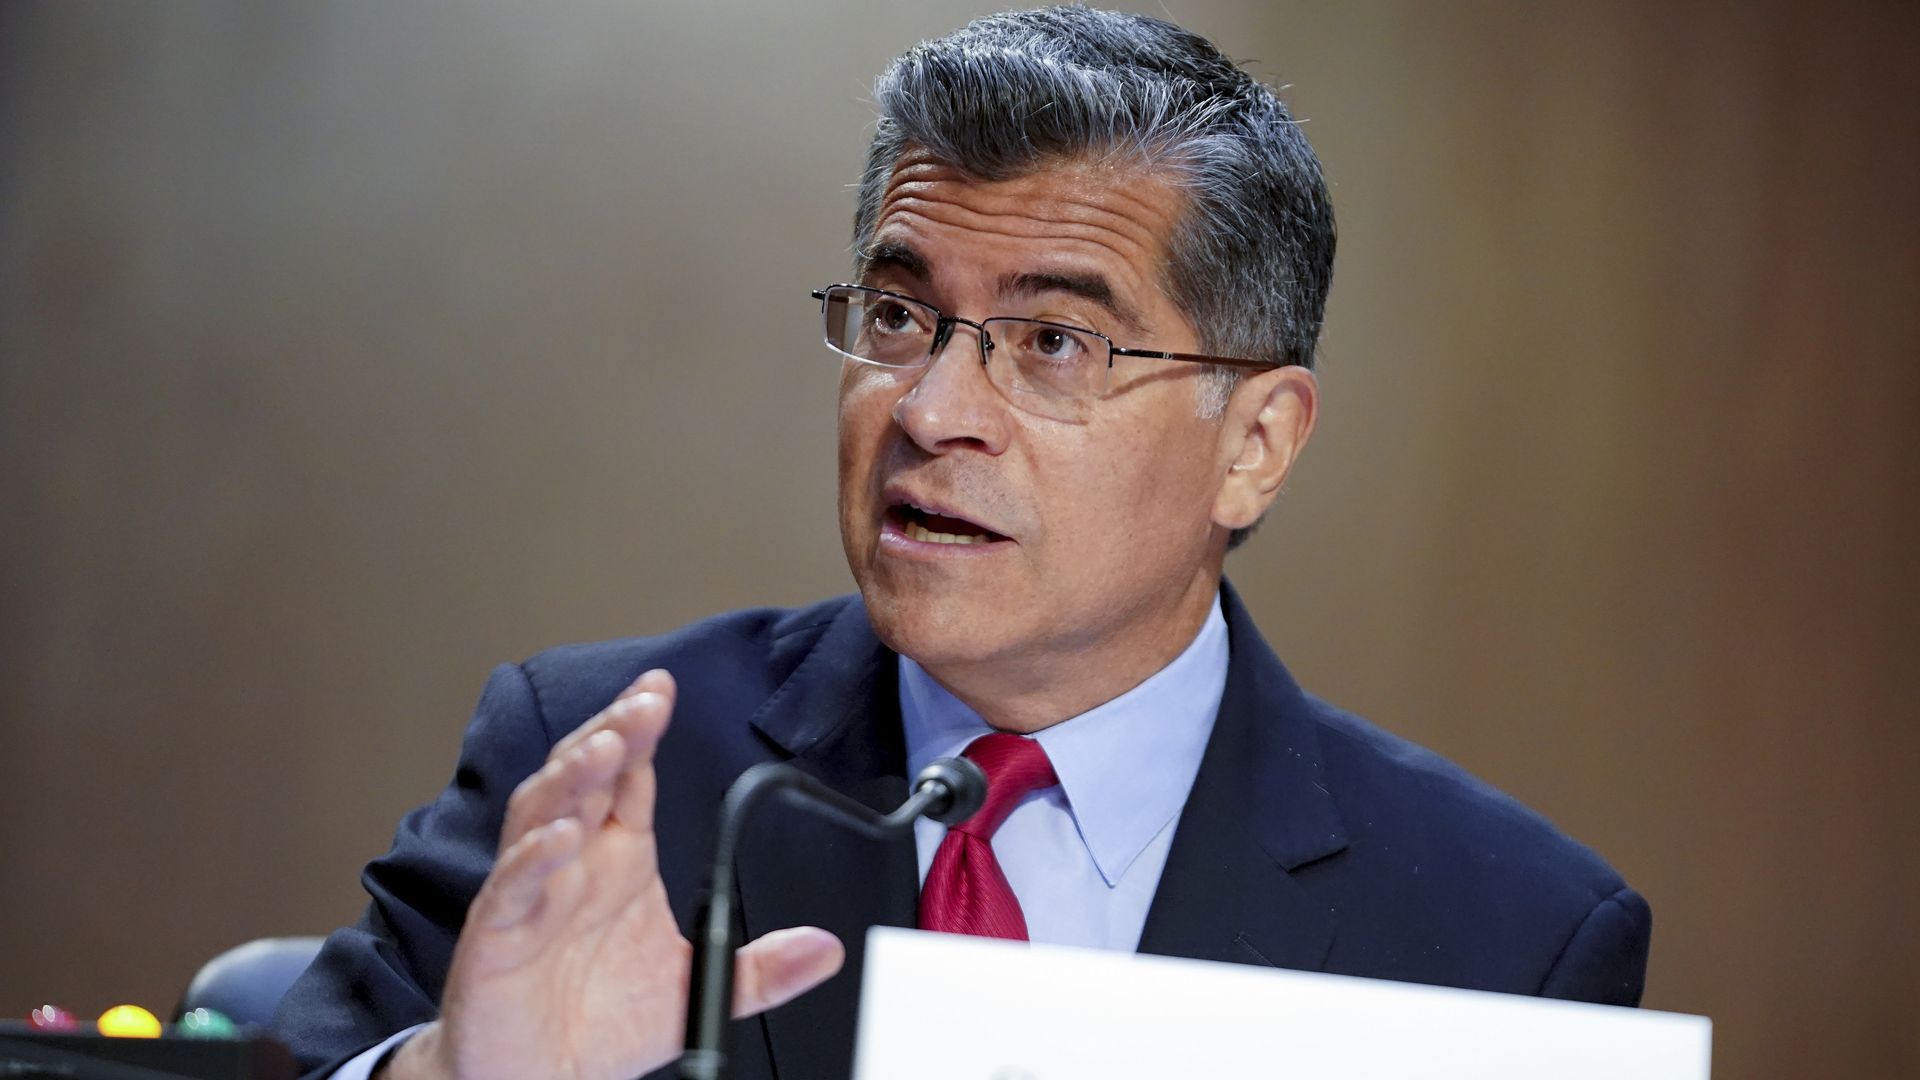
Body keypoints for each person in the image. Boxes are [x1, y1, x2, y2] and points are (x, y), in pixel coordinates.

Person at [273, 7, 1651, 1080]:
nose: (932, 410)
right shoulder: (608, 772)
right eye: (897, 317)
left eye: (1053, 343)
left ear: (1258, 444)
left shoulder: (1504, 941)